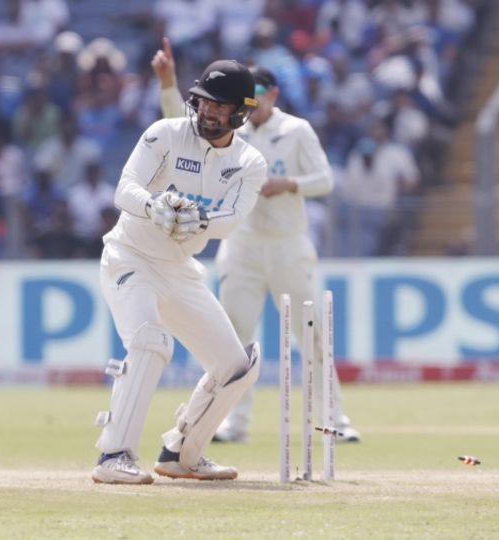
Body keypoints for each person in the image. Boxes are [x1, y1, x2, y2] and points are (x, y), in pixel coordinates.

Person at [152, 38, 361, 443]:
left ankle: (335, 418)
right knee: (233, 338)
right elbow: (179, 124)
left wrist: (288, 183)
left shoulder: (295, 130)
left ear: (273, 95)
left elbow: (326, 180)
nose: (254, 102)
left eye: (260, 94)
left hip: (287, 244)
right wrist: (168, 83)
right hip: (242, 246)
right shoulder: (232, 130)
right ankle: (231, 424)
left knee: (312, 332)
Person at [92, 58, 267, 484]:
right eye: (204, 103)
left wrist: (200, 222)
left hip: (179, 269)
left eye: (220, 107)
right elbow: (124, 188)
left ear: (240, 112)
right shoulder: (165, 133)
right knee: (150, 341)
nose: (208, 112)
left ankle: (181, 453)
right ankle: (114, 455)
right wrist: (153, 204)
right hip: (130, 255)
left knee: (236, 365)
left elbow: (232, 220)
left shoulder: (250, 162)